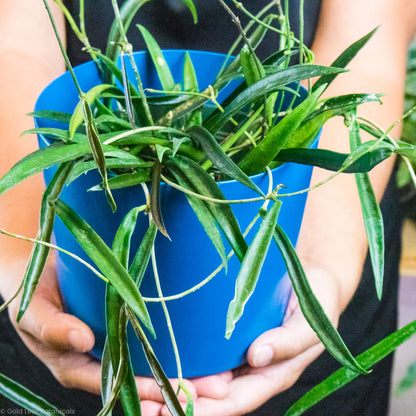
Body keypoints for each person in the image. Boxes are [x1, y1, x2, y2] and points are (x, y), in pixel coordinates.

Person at [0, 0, 415, 415]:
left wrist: (320, 263)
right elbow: (15, 39)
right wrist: (28, 253)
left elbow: (367, 49)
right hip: (72, 247)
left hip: (311, 243)